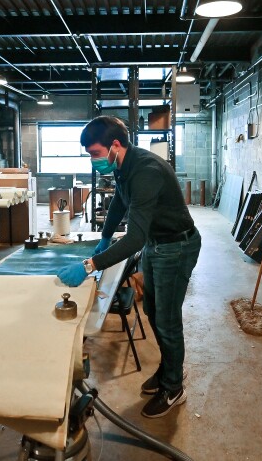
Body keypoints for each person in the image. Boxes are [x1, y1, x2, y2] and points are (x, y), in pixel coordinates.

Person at [57, 116, 202, 419]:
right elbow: (120, 205)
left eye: (95, 154)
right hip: (158, 244)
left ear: (115, 145)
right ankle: (169, 369)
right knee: (151, 310)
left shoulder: (146, 171)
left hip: (176, 247)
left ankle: (174, 387)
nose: (93, 161)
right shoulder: (124, 166)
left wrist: (89, 264)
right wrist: (106, 236)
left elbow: (135, 238)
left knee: (167, 320)